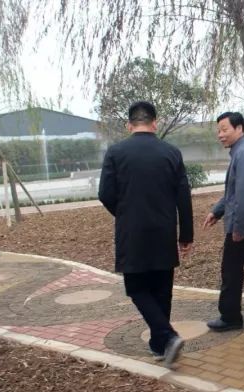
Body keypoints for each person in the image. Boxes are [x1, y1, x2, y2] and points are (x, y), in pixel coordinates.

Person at [98, 101, 194, 367]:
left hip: (132, 233)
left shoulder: (116, 152)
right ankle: (160, 345)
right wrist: (186, 235)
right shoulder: (171, 152)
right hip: (164, 231)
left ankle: (168, 338)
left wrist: (124, 213)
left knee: (137, 288)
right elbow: (183, 197)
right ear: (155, 123)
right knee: (162, 290)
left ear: (129, 125)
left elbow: (105, 194)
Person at [203, 112, 244, 333]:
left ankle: (231, 317)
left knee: (231, 273)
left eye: (224, 129)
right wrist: (217, 211)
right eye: (218, 131)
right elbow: (233, 193)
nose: (220, 135)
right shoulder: (243, 151)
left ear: (239, 128)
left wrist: (238, 229)